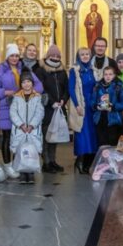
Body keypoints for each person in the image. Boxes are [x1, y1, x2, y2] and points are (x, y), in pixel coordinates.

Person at [0, 44, 44, 177]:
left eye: (16, 56)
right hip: (7, 108)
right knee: (8, 137)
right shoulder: (1, 70)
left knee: (21, 138)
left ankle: (19, 163)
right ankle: (8, 166)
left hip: (24, 109)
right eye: (12, 56)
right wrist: (5, 92)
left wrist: (31, 91)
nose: (14, 58)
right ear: (7, 57)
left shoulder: (24, 69)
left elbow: (39, 85)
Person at [35, 44, 69, 173]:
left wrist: (63, 100)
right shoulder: (41, 70)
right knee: (46, 135)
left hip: (59, 108)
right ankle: (46, 162)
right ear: (48, 56)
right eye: (53, 55)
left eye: (57, 56)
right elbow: (40, 89)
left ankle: (53, 160)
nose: (55, 58)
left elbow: (66, 88)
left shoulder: (62, 71)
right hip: (47, 108)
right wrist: (51, 102)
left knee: (55, 135)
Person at [10, 72, 44, 184]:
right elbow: (13, 112)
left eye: (28, 81)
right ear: (21, 84)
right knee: (20, 151)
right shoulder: (16, 97)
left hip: (33, 129)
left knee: (32, 152)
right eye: (23, 82)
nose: (26, 84)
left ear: (32, 83)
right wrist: (21, 124)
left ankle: (31, 173)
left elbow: (39, 112)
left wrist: (32, 125)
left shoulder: (37, 97)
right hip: (20, 129)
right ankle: (22, 173)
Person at [70, 47, 99, 173]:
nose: (85, 56)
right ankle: (80, 162)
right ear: (78, 56)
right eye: (82, 54)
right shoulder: (74, 70)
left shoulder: (94, 70)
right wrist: (77, 105)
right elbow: (71, 89)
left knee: (92, 134)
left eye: (87, 54)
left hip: (92, 104)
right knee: (82, 133)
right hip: (81, 104)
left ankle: (88, 163)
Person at [92, 67, 123, 149]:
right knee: (101, 142)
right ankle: (103, 161)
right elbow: (92, 101)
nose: (108, 76)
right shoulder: (97, 86)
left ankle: (112, 161)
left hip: (113, 119)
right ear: (103, 75)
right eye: (105, 74)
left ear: (114, 75)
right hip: (100, 118)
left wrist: (113, 106)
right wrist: (96, 106)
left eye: (110, 74)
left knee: (112, 141)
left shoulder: (119, 87)